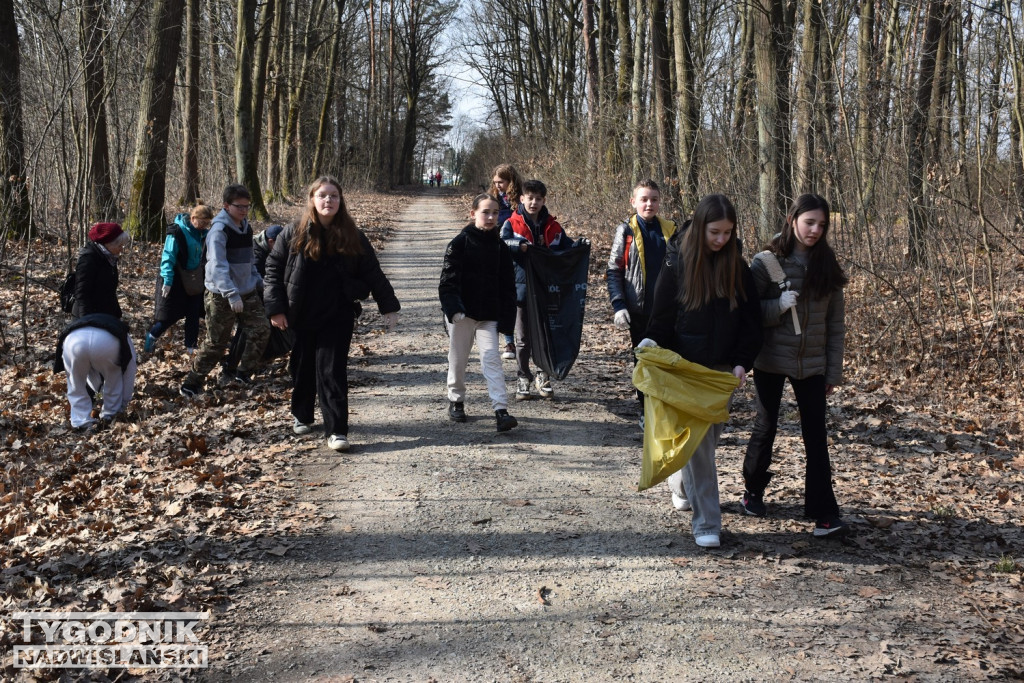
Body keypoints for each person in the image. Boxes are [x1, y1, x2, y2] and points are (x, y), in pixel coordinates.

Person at [641, 194, 762, 549]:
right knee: (702, 450)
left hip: (721, 372)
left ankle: (680, 485)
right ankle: (707, 523)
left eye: (728, 233)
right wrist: (651, 342)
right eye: (715, 232)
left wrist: (742, 361)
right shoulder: (677, 261)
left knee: (703, 443)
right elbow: (662, 314)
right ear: (700, 227)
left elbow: (752, 323)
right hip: (685, 369)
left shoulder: (738, 268)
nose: (721, 239)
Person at [264, 176, 400, 452]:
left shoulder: (352, 235)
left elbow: (373, 272)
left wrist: (389, 306)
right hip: (301, 314)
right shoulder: (292, 233)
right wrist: (275, 309)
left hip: (337, 315)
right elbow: (273, 271)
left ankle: (337, 430)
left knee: (332, 371)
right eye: (323, 195)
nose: (328, 200)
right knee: (302, 368)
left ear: (341, 201)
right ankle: (302, 415)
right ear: (312, 200)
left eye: (334, 196)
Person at [741, 193, 850, 538]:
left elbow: (835, 323)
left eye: (821, 224)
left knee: (815, 435)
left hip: (813, 362)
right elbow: (747, 313)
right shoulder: (767, 262)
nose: (815, 230)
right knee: (766, 425)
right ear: (792, 220)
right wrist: (777, 305)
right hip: (771, 358)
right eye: (809, 222)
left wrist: (833, 370)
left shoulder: (827, 264)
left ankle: (824, 513)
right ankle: (753, 490)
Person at [180, 184, 269, 396]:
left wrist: (258, 281)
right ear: (226, 205)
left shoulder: (246, 227)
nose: (244, 210)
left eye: (247, 206)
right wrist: (231, 293)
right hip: (221, 295)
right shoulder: (219, 231)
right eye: (239, 206)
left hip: (246, 291)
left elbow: (249, 260)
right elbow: (216, 266)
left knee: (261, 330)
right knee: (216, 343)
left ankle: (243, 373)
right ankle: (191, 383)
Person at [439, 193, 518, 432]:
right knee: (458, 358)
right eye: (485, 212)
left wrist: (507, 320)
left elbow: (508, 286)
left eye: (495, 213)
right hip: (462, 314)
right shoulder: (459, 243)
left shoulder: (500, 247)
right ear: (473, 213)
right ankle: (456, 400)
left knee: (491, 358)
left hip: (489, 315)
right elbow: (448, 281)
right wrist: (454, 309)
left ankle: (501, 410)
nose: (491, 217)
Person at [606, 179, 677, 423]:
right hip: (639, 311)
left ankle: (665, 408)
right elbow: (614, 269)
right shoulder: (626, 231)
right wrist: (619, 305)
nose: (649, 204)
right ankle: (646, 410)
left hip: (667, 310)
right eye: (644, 199)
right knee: (644, 361)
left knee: (667, 360)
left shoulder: (671, 229)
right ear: (633, 202)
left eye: (654, 199)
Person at [500, 179, 570, 400]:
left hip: (546, 290)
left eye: (538, 199)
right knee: (523, 338)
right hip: (521, 290)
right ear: (522, 199)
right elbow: (501, 244)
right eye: (530, 198)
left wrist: (580, 246)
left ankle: (543, 375)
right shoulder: (512, 223)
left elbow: (566, 246)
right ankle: (523, 377)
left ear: (544, 200)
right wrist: (518, 246)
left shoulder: (552, 225)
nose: (533, 203)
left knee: (545, 337)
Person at [144, 204, 213, 355]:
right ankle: (152, 336)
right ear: (193, 218)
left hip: (193, 278)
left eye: (207, 223)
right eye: (202, 222)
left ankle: (191, 347)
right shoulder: (177, 232)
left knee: (193, 313)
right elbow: (168, 257)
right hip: (176, 278)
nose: (204, 226)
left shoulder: (203, 234)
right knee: (171, 314)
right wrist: (167, 281)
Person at [54, 313, 137, 433]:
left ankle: (81, 422)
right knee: (113, 377)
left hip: (72, 340)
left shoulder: (84, 322)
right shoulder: (124, 335)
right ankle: (111, 416)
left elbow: (91, 376)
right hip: (107, 342)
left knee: (76, 383)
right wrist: (122, 405)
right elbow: (129, 373)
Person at [490, 164, 523, 361]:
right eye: (495, 182)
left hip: (516, 255)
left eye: (501, 182)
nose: (497, 186)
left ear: (511, 181)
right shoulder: (493, 199)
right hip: (495, 253)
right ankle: (504, 341)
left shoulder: (521, 201)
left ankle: (516, 341)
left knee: (514, 299)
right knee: (499, 297)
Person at [72, 222, 131, 320]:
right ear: (108, 244)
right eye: (119, 245)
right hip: (88, 315)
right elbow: (82, 294)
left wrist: (117, 314)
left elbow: (109, 291)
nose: (121, 249)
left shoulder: (110, 258)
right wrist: (86, 321)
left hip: (105, 315)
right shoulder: (88, 260)